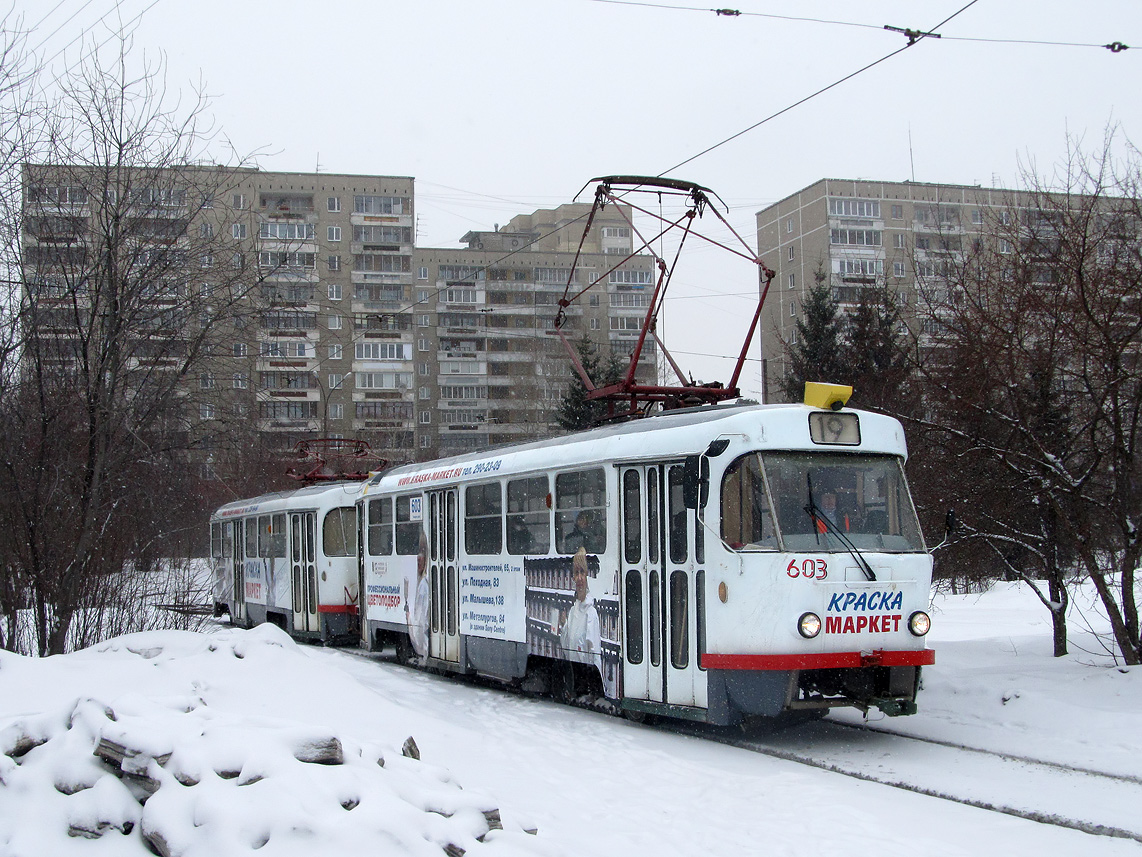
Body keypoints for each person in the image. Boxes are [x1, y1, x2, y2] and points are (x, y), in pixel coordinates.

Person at [556, 548, 601, 663]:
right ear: (573, 578)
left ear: (587, 576)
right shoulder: (573, 611)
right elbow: (567, 650)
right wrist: (564, 625)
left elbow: (595, 657)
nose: (579, 578)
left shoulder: (591, 614)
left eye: (582, 572)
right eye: (576, 573)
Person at [405, 528, 430, 659]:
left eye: (422, 552)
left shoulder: (424, 586)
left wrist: (409, 618)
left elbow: (421, 621)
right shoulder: (419, 583)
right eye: (417, 552)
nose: (418, 558)